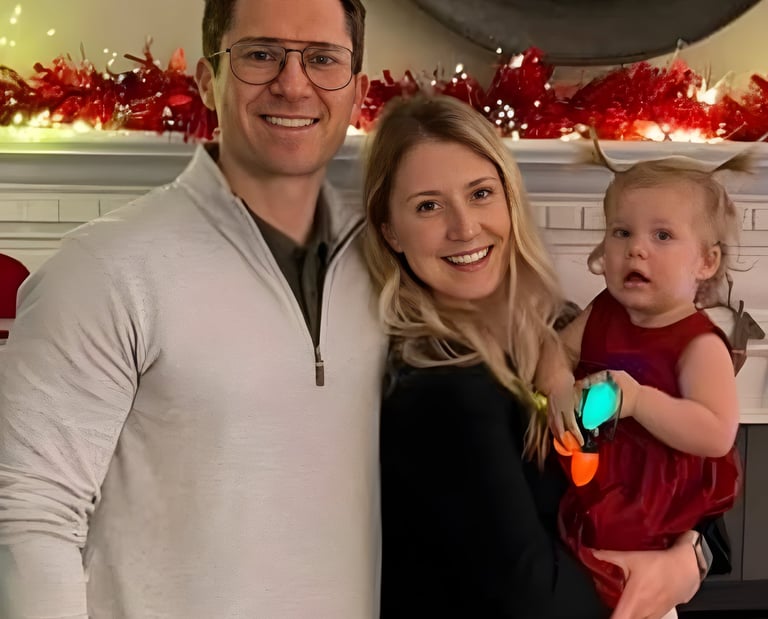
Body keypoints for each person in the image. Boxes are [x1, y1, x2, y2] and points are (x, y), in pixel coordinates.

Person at [0, 1, 387, 618]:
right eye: (260, 54)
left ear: (358, 92)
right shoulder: (103, 267)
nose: (293, 84)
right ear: (208, 81)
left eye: (322, 59)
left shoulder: (387, 265)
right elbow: (27, 511)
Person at [364, 94, 716, 619]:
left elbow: (683, 469)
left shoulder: (560, 325)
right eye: (428, 206)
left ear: (509, 200)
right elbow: (532, 597)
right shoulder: (438, 383)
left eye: (481, 194)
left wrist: (690, 560)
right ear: (390, 230)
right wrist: (648, 580)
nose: (465, 228)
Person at [546, 151, 745, 617]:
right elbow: (556, 350)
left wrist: (639, 400)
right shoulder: (604, 311)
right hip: (592, 494)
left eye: (662, 235)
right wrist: (557, 384)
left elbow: (716, 433)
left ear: (706, 261)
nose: (636, 248)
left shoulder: (699, 344)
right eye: (622, 232)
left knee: (636, 601)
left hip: (653, 515)